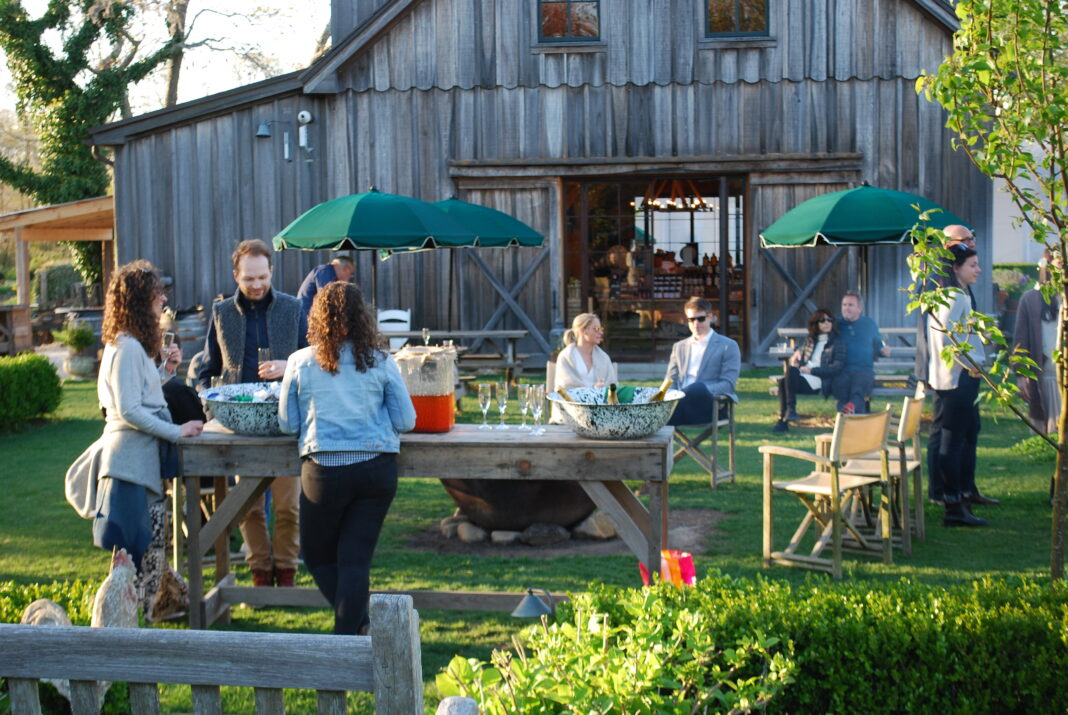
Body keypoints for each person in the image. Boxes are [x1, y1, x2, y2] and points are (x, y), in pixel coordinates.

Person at [279, 282, 416, 635]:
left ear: (317, 318)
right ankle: (358, 629)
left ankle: (349, 636)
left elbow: (287, 423)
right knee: (355, 559)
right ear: (363, 317)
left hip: (325, 471)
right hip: (376, 470)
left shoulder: (300, 361)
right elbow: (406, 421)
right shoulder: (383, 361)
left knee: (317, 556)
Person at [93, 260, 204, 618]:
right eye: (158, 296)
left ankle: (138, 629)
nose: (164, 302)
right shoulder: (125, 348)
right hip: (130, 466)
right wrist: (177, 430)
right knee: (140, 557)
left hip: (136, 464)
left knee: (146, 556)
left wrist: (164, 371)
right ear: (142, 302)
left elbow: (140, 394)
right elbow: (128, 410)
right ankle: (132, 633)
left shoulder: (128, 346)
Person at [197, 239, 308, 587]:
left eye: (262, 277)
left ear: (271, 272)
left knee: (289, 506)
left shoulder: (293, 309)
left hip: (285, 423)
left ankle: (287, 569)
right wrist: (207, 402)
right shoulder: (222, 314)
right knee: (248, 506)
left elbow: (315, 361)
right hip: (239, 426)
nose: (257, 285)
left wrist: (287, 364)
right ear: (236, 276)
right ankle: (260, 570)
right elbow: (207, 369)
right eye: (249, 279)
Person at [927, 244, 990, 526]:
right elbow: (947, 340)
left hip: (957, 377)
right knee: (951, 444)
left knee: (959, 440)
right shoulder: (952, 296)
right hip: (957, 379)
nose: (978, 269)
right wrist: (971, 366)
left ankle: (959, 502)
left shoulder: (957, 293)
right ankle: (952, 508)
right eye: (972, 265)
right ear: (956, 267)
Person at [663, 296, 740, 426]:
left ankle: (661, 417)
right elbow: (670, 381)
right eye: (691, 319)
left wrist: (700, 391)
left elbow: (728, 384)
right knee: (652, 394)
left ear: (710, 317)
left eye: (700, 319)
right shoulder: (679, 347)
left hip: (711, 406)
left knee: (697, 388)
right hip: (681, 406)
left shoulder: (728, 346)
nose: (696, 324)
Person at [771, 309, 845, 433]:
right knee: (785, 379)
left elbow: (837, 367)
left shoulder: (837, 342)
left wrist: (812, 371)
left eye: (829, 320)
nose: (826, 323)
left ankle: (785, 418)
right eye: (822, 320)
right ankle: (787, 415)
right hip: (806, 376)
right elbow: (806, 360)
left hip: (822, 379)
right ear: (816, 324)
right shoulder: (811, 340)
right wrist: (798, 361)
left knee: (786, 379)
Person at [1014, 250, 1061, 436]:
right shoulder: (1030, 299)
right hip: (1045, 374)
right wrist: (1020, 373)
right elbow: (1020, 339)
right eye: (1059, 266)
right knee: (1046, 431)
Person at [832, 291, 891, 414]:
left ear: (860, 308)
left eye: (850, 305)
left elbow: (878, 344)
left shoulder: (869, 324)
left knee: (858, 389)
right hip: (841, 369)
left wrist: (883, 350)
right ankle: (849, 416)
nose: (846, 308)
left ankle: (849, 413)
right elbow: (815, 336)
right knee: (842, 389)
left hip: (863, 369)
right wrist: (799, 350)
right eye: (844, 305)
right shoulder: (835, 324)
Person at [554, 313, 617, 391]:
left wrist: (602, 391)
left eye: (601, 329)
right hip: (572, 403)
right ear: (583, 330)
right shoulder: (566, 357)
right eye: (596, 329)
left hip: (600, 402)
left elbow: (613, 386)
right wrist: (593, 391)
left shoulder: (604, 358)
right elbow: (565, 387)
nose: (601, 333)